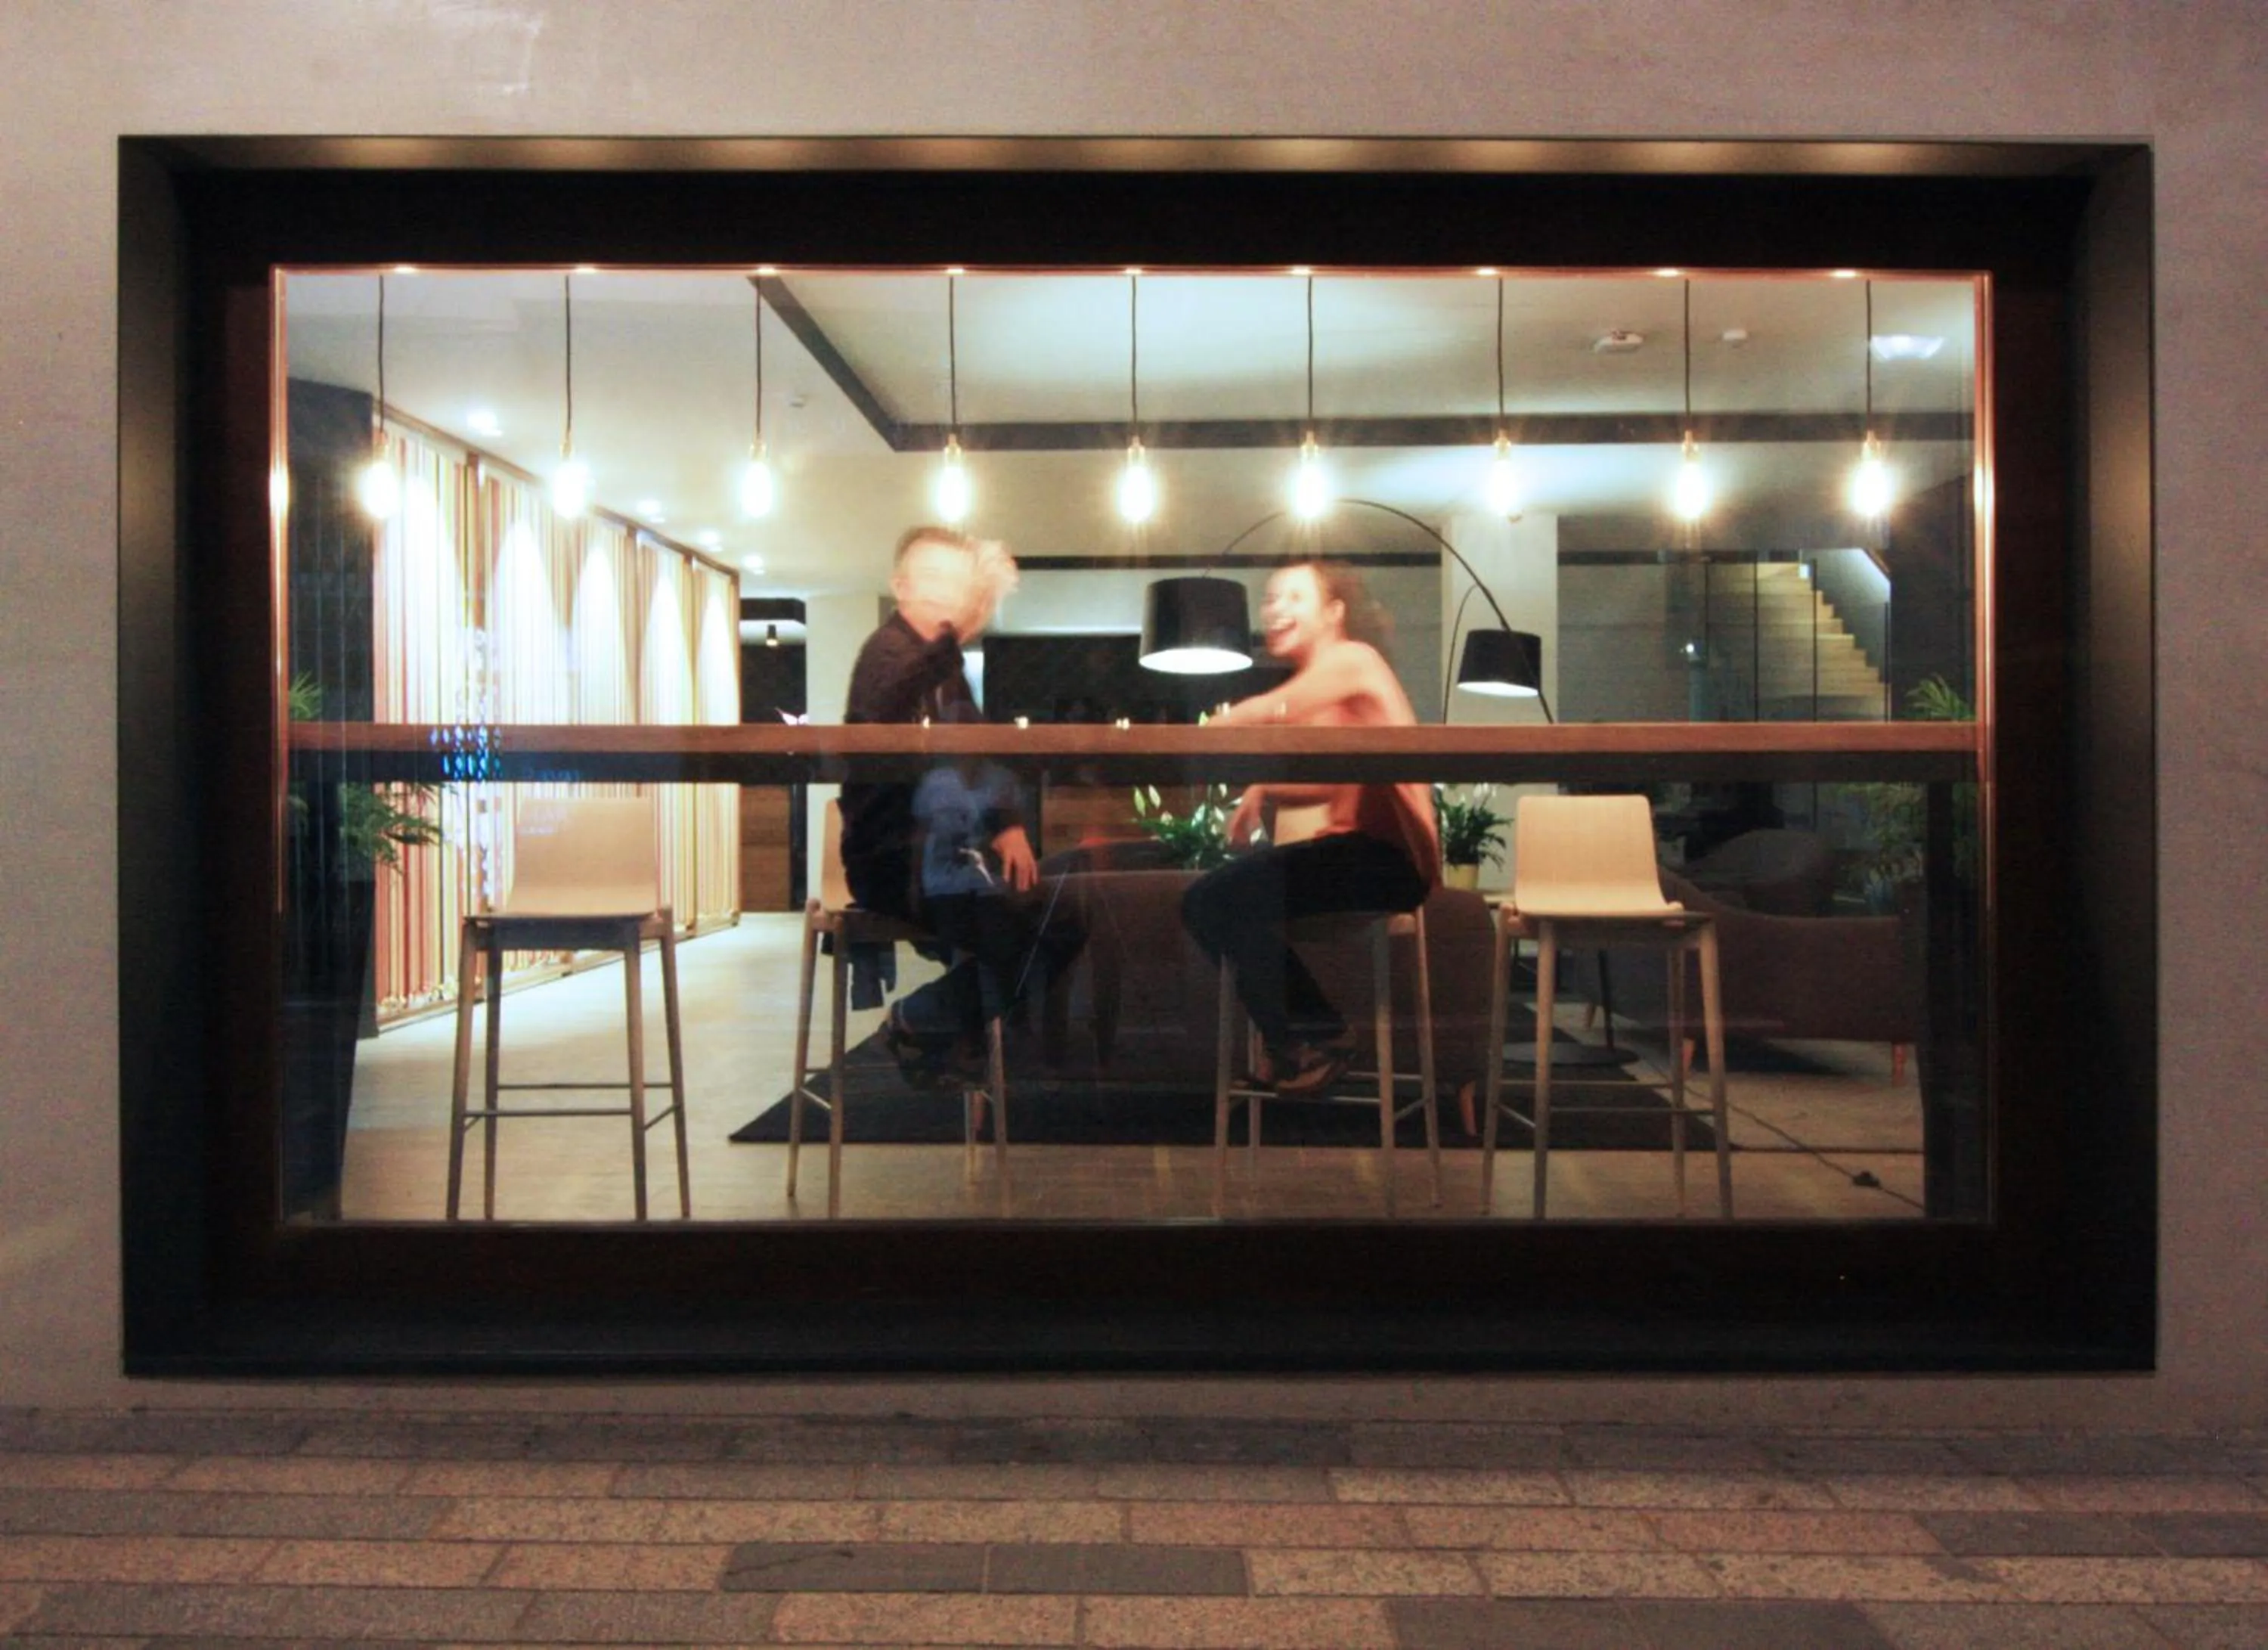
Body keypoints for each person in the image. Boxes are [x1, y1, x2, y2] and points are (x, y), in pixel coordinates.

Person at [1179, 559, 1439, 1096]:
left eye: (1294, 598)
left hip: (1388, 862)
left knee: (1210, 902)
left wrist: (1208, 729)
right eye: (1272, 599)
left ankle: (1317, 1037)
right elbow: (1331, 787)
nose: (1276, 610)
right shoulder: (1333, 693)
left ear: (1335, 612)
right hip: (1370, 858)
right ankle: (1294, 1042)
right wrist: (1265, 790)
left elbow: (1275, 709)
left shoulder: (1352, 660)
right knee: (1218, 902)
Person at [840, 526, 1078, 1084]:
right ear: (901, 586)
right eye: (936, 579)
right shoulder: (888, 654)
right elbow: (893, 706)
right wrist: (955, 636)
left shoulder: (946, 670)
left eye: (958, 582)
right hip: (892, 863)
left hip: (945, 862)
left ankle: (948, 1037)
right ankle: (923, 1026)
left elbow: (974, 751)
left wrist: (1007, 824)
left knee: (1058, 918)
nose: (950, 593)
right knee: (1033, 931)